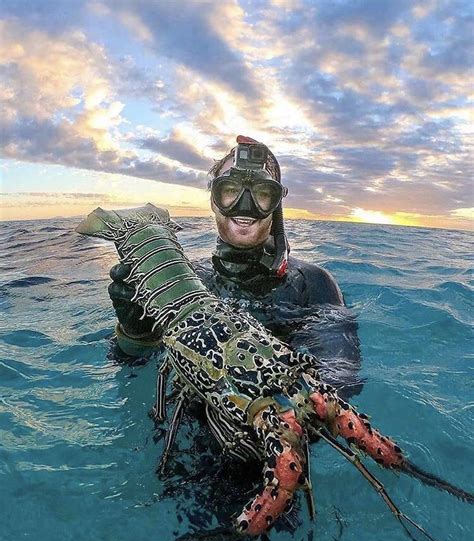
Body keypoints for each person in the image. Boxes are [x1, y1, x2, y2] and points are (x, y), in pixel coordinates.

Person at [108, 136, 361, 395]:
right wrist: (135, 334)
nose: (245, 205)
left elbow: (341, 378)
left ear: (276, 205)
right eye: (230, 190)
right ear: (213, 201)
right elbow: (131, 368)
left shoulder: (312, 282)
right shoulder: (182, 280)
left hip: (276, 418)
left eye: (262, 193)